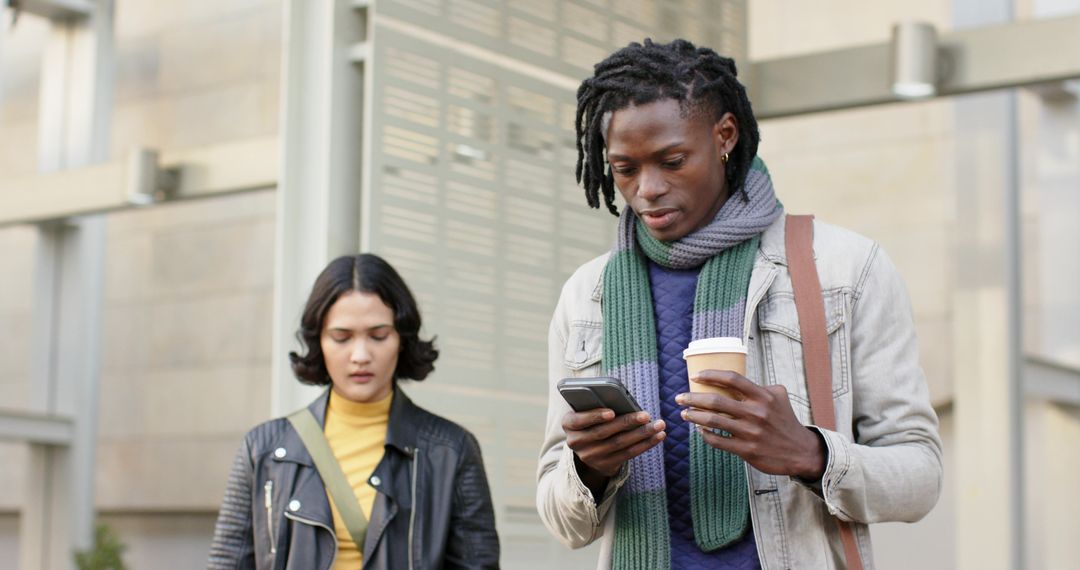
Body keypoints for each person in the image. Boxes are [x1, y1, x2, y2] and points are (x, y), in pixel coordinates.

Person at [536, 39, 943, 569]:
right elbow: (559, 515)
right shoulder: (587, 295)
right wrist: (590, 467)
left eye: (672, 161)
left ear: (724, 135)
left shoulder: (845, 269)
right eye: (625, 168)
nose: (647, 189)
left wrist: (808, 453)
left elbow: (920, 476)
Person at [209, 253, 500, 569]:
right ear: (318, 341)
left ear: (402, 339)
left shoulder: (451, 450)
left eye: (378, 336)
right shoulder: (263, 448)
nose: (360, 355)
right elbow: (228, 563)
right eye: (341, 337)